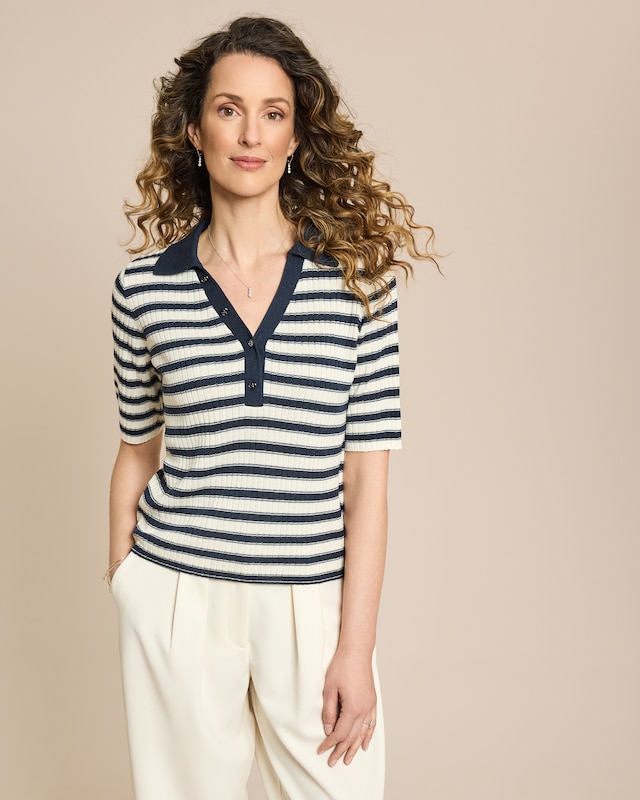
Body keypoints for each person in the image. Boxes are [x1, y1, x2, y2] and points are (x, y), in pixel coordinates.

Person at [107, 15, 436, 800]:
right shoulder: (143, 290)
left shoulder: (359, 285)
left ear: (295, 136)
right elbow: (136, 451)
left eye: (273, 112)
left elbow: (368, 481)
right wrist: (127, 582)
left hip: (310, 605)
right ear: (196, 130)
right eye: (229, 109)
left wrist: (355, 647)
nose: (250, 133)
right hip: (179, 595)